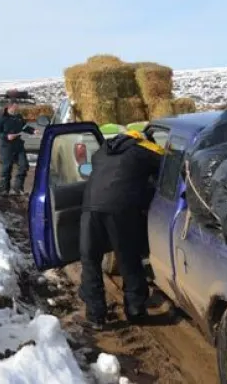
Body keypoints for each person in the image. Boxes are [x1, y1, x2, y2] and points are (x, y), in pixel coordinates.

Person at [77, 129, 163, 331]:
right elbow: (167, 162)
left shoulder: (101, 151)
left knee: (90, 261)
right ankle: (135, 310)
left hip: (90, 209)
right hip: (121, 211)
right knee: (128, 259)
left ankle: (95, 316)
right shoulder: (141, 151)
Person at [0, 102, 35, 195]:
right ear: (9, 107)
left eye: (17, 107)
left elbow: (24, 127)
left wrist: (33, 131)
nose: (16, 109)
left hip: (18, 145)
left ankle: (18, 188)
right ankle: (4, 189)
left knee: (24, 165)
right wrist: (6, 136)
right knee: (7, 167)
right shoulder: (2, 117)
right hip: (6, 146)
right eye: (15, 107)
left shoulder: (18, 117)